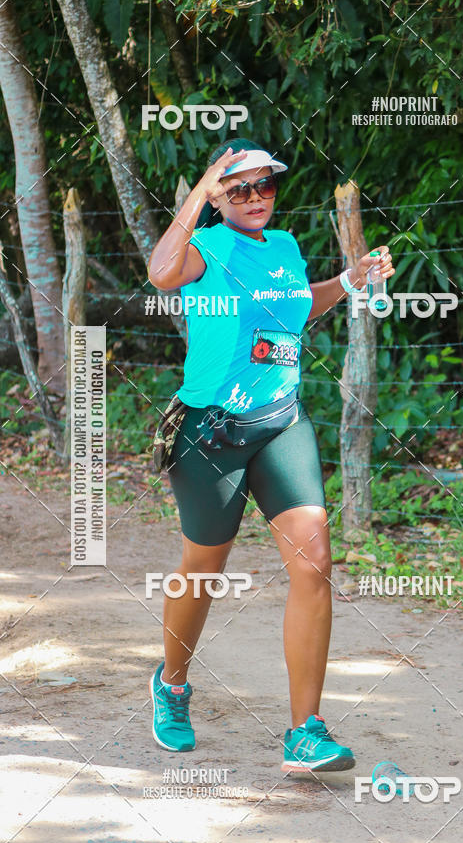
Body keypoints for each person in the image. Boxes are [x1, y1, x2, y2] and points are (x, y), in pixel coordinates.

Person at [146, 137, 394, 771]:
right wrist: (201, 191)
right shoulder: (207, 247)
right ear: (219, 197)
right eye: (240, 188)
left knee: (313, 566)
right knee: (203, 570)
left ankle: (305, 731)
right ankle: (172, 684)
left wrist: (350, 279)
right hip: (212, 432)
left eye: (265, 186)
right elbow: (159, 273)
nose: (255, 198)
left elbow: (296, 308)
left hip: (282, 423)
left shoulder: (282, 247)